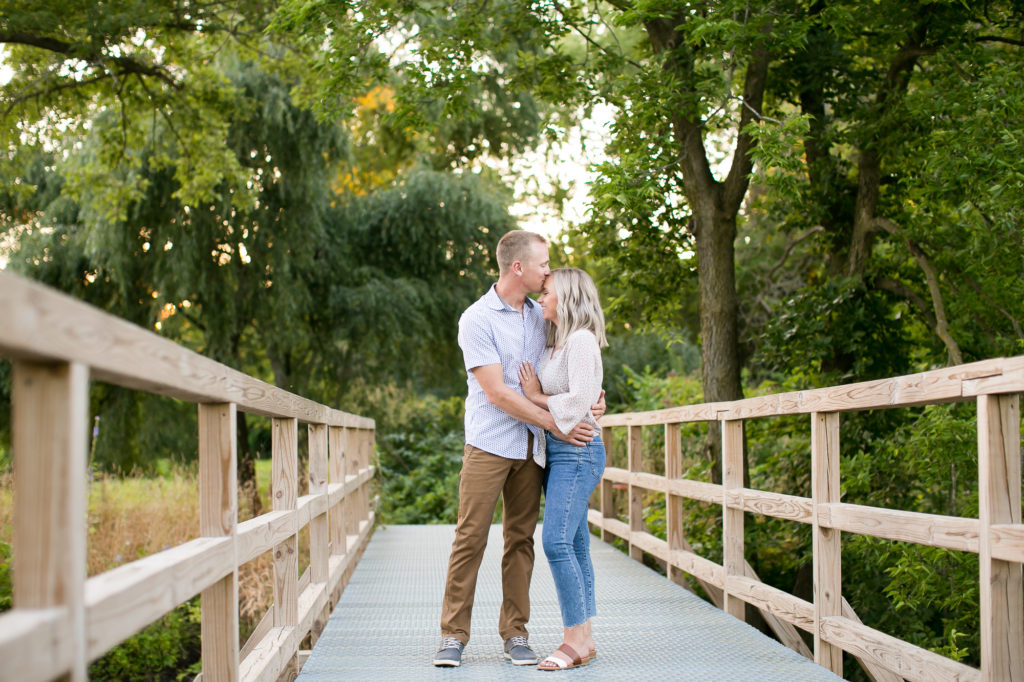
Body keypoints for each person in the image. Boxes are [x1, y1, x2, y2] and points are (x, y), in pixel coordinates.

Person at [432, 231, 605, 668]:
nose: (548, 271)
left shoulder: (542, 314)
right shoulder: (477, 319)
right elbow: (499, 394)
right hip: (490, 443)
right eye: (543, 264)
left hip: (533, 448)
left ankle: (515, 633)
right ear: (517, 267)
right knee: (470, 538)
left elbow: (569, 366)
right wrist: (559, 423)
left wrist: (591, 399)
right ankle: (453, 635)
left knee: (520, 540)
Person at [518, 267, 607, 671]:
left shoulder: (583, 341)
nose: (542, 299)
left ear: (568, 297)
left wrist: (535, 396)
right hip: (559, 451)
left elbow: (576, 406)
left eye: (548, 292)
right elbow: (580, 398)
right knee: (576, 544)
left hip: (578, 451)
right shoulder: (556, 344)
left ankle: (573, 639)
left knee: (555, 543)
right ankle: (584, 639)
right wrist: (545, 398)